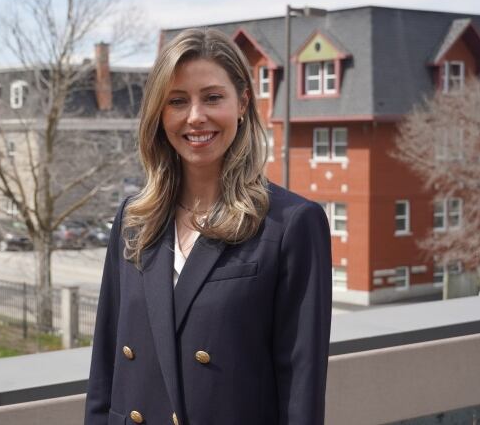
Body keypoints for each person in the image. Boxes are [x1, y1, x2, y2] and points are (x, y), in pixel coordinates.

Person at [85, 28, 332, 425]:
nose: (195, 116)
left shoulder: (291, 224)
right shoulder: (134, 219)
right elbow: (105, 367)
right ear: (159, 114)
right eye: (177, 101)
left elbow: (300, 386)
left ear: (242, 104)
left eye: (213, 97)